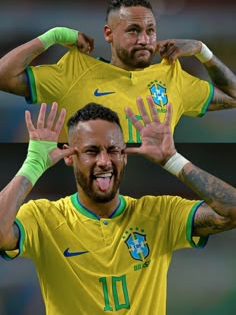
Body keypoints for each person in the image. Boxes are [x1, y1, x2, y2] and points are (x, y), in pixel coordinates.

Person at [1, 97, 236, 315]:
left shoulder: (160, 213)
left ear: (124, 155)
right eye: (91, 151)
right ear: (69, 156)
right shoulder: (43, 218)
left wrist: (174, 161)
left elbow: (231, 212)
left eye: (113, 150)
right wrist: (32, 166)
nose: (104, 161)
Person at [0, 0, 236, 144]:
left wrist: (202, 51)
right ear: (109, 34)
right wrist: (52, 36)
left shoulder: (172, 76)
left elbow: (233, 96)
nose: (144, 39)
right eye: (133, 30)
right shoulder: (74, 70)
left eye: (150, 31)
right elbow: (4, 76)